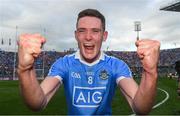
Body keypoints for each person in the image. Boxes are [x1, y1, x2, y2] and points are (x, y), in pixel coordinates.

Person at [17, 9, 160, 115]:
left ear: (104, 36)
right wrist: (25, 69)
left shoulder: (116, 65)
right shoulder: (64, 64)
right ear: (76, 35)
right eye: (82, 31)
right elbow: (37, 103)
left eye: (95, 31)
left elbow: (141, 108)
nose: (88, 37)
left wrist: (150, 72)